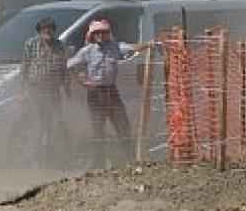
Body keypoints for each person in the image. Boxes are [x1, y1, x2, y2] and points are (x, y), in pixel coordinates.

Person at [66, 18, 151, 166]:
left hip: (111, 91)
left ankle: (130, 159)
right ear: (92, 35)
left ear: (107, 33)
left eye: (103, 32)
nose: (100, 35)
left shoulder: (115, 47)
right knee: (98, 128)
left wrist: (148, 44)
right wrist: (82, 81)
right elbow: (69, 65)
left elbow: (132, 48)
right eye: (97, 33)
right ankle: (98, 162)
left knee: (122, 125)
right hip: (95, 92)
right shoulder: (87, 51)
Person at [20, 17, 69, 161]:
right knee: (38, 123)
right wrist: (22, 90)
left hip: (53, 90)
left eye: (50, 28)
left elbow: (64, 68)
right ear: (39, 31)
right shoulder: (30, 44)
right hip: (35, 89)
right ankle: (33, 158)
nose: (47, 31)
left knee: (54, 123)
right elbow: (24, 67)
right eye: (44, 29)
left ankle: (49, 156)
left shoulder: (60, 46)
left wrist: (67, 88)